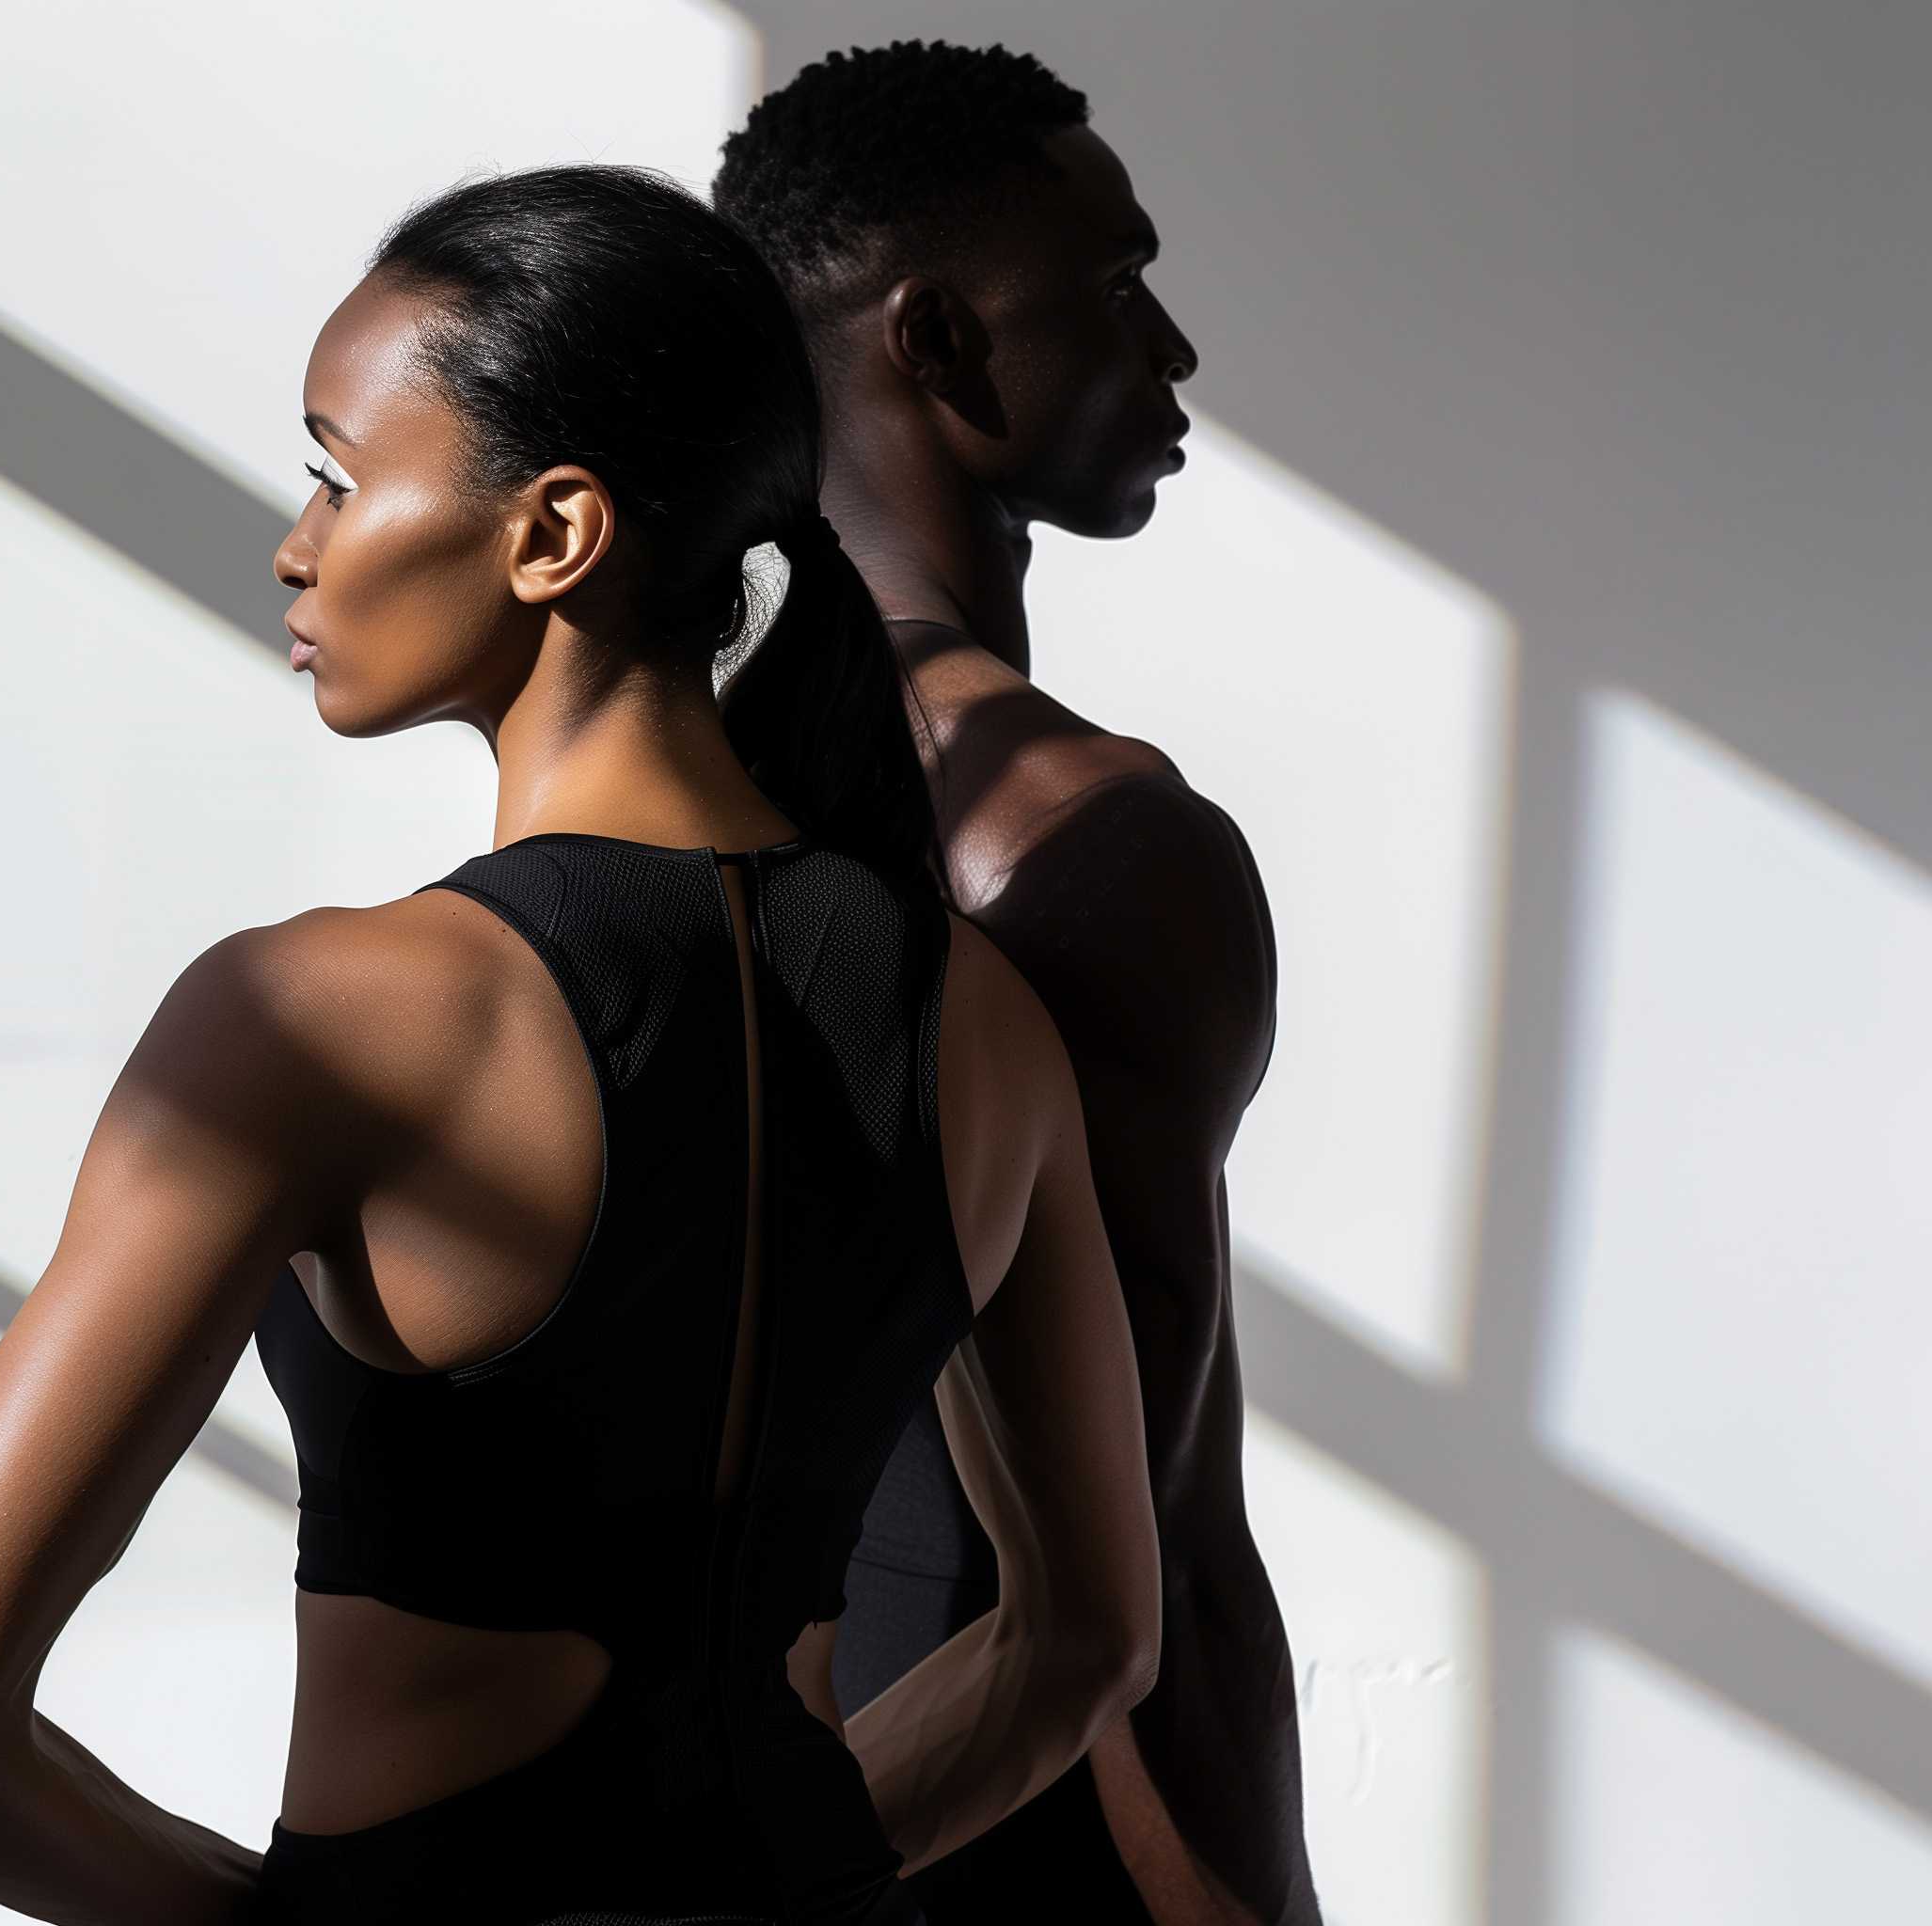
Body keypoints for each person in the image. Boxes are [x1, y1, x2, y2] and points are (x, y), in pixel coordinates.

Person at [0, 164, 1164, 1925]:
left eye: (335, 474)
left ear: (553, 535)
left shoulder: (315, 1020)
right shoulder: (981, 1020)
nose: (295, 542)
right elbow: (1086, 1642)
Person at [715, 41, 1319, 1926]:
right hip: (1002, 1830)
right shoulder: (1088, 847)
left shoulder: (652, 795)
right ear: (935, 340)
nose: (1172, 349)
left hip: (703, 1803)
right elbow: (1160, 1552)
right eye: (1116, 285)